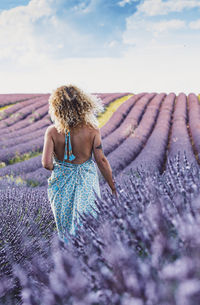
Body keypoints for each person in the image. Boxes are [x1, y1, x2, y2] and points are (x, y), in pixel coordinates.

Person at [42, 84, 117, 243]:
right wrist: (112, 186)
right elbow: (101, 160)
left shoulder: (52, 131)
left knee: (65, 227)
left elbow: (46, 164)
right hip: (86, 183)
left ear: (56, 107)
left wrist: (63, 168)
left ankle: (69, 258)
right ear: (82, 104)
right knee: (87, 223)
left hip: (61, 183)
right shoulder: (92, 130)